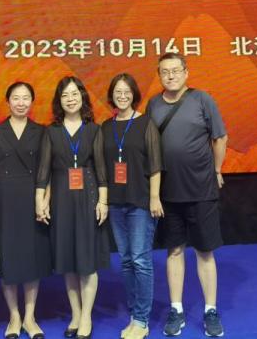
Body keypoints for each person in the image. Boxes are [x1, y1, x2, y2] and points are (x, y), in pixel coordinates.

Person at [145, 53, 228, 338]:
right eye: (164, 71)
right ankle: (176, 309)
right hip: (168, 192)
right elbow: (149, 145)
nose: (170, 76)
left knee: (205, 251)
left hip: (201, 189)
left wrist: (217, 169)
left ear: (186, 72)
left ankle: (211, 310)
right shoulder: (153, 104)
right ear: (159, 75)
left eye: (175, 70)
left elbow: (220, 137)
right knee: (174, 250)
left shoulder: (203, 100)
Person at [36, 76, 109, 339]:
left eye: (74, 94)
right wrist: (41, 200)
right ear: (59, 100)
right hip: (61, 201)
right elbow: (43, 170)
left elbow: (101, 169)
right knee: (68, 260)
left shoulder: (94, 130)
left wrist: (103, 201)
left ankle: (86, 316)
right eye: (65, 95)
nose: (70, 99)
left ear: (82, 97)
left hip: (88, 198)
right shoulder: (51, 132)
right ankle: (75, 314)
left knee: (87, 261)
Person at [101, 73, 163, 339]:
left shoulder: (146, 123)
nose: (122, 96)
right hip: (116, 202)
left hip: (140, 201)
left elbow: (156, 164)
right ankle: (134, 314)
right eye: (118, 92)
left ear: (134, 95)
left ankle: (141, 320)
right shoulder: (106, 127)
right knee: (126, 260)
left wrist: (154, 197)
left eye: (127, 92)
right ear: (112, 96)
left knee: (140, 259)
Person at [0, 81, 52, 339]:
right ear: (8, 102)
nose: (21, 102)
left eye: (26, 98)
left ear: (32, 101)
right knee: (9, 257)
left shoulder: (41, 131)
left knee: (31, 257)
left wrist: (45, 199)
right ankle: (14, 316)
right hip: (4, 199)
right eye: (16, 98)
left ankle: (30, 316)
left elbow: (47, 169)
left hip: (32, 199)